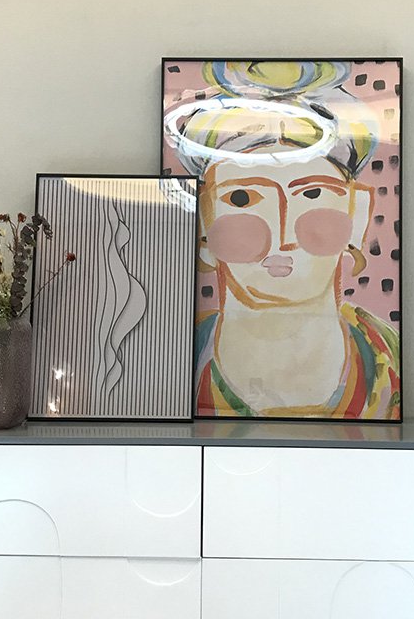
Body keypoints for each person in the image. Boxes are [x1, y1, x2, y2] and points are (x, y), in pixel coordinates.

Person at [164, 62, 400, 419]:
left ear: (359, 215)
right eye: (242, 198)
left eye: (313, 194)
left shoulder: (389, 363)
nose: (283, 237)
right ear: (202, 226)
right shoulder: (174, 361)